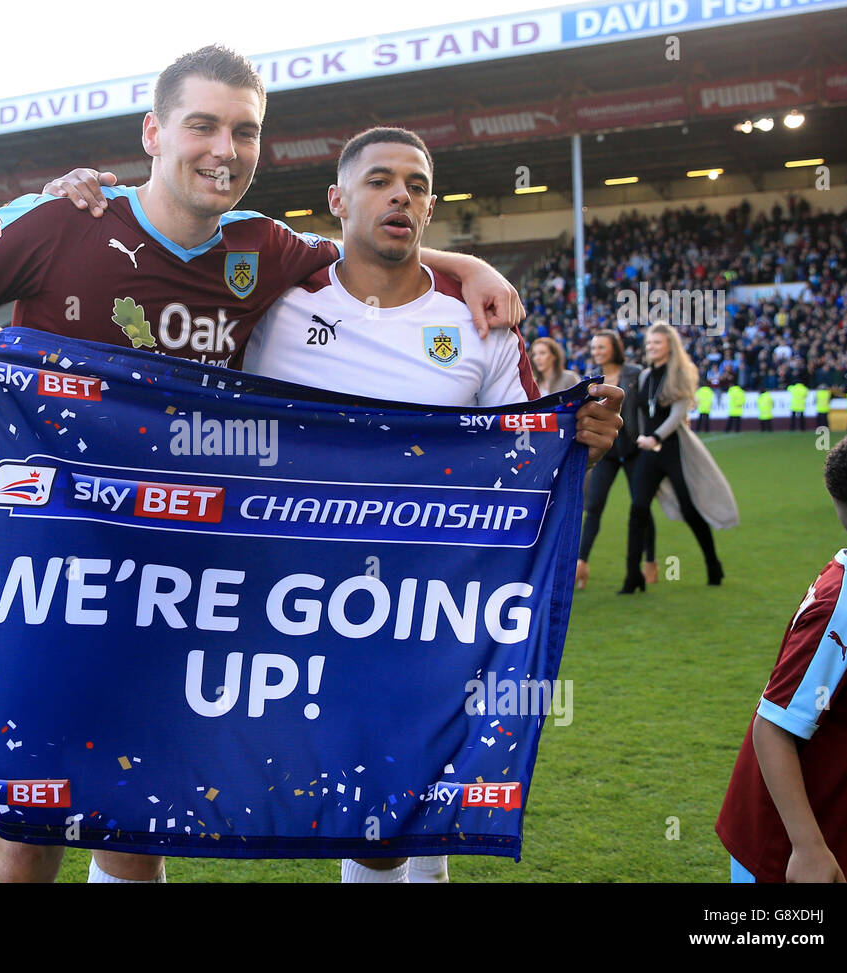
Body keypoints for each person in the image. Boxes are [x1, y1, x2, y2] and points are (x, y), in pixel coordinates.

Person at [0, 46, 534, 885]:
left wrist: (468, 264)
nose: (226, 148)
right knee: (24, 830)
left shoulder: (266, 249)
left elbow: (377, 249)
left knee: (133, 820)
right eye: (204, 125)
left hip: (173, 584)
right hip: (47, 574)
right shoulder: (62, 218)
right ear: (153, 132)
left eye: (245, 131)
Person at [241, 126, 623, 883]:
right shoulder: (272, 305)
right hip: (304, 598)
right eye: (380, 180)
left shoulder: (478, 323)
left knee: (410, 799)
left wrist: (584, 434)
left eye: (416, 185)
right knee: (371, 815)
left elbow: (529, 449)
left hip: (437, 601)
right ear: (337, 199)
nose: (400, 196)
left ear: (431, 203)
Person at [714, 428, 847, 882]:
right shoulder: (846, 611)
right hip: (791, 850)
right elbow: (773, 726)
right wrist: (808, 849)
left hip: (846, 824)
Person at [620, 322, 736, 593]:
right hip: (648, 452)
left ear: (670, 345)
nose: (651, 347)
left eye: (657, 343)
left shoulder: (681, 373)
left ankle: (712, 563)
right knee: (637, 509)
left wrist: (655, 437)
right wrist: (639, 436)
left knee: (689, 507)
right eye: (648, 343)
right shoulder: (647, 375)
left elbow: (676, 415)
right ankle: (632, 576)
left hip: (672, 449)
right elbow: (640, 411)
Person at [575, 329, 656, 591]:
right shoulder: (591, 380)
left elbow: (646, 406)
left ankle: (650, 560)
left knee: (640, 506)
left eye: (602, 347)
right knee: (594, 505)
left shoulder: (635, 373)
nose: (597, 351)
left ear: (615, 348)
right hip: (608, 452)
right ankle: (581, 563)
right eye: (594, 347)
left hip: (634, 448)